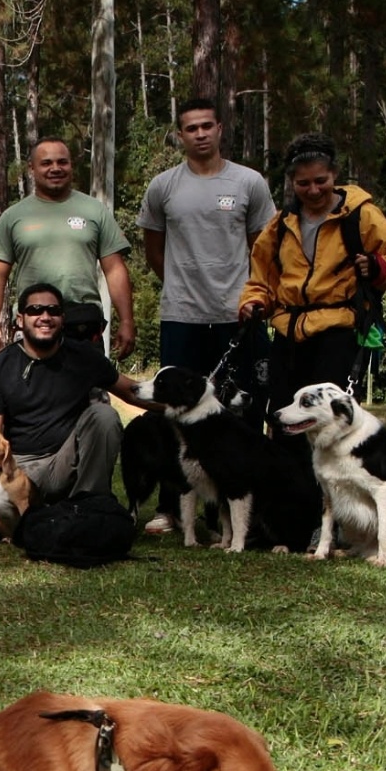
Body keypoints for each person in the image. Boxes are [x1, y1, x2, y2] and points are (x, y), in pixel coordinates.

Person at [135, 97, 278, 531]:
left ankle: (238, 512)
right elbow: (153, 246)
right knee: (172, 411)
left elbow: (263, 248)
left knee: (243, 411)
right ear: (180, 134)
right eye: (190, 128)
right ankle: (171, 508)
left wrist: (253, 297)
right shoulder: (164, 186)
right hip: (182, 315)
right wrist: (179, 284)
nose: (199, 134)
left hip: (239, 315)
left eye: (206, 126)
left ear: (220, 129)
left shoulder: (249, 182)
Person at [240, 133, 386, 430]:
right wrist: (253, 303)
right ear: (292, 182)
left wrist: (376, 266)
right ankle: (290, 476)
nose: (313, 190)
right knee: (284, 417)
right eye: (303, 183)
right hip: (288, 335)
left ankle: (336, 478)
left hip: (338, 332)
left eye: (321, 180)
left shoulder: (361, 215)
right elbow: (262, 277)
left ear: (334, 174)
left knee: (334, 423)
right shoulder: (280, 225)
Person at [0, 283, 148, 541]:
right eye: (35, 310)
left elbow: (130, 391)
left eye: (53, 310)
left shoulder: (83, 356)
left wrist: (181, 402)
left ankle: (89, 506)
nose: (45, 317)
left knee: (103, 416)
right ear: (20, 318)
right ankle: (52, 514)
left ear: (62, 317)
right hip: (20, 464)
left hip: (65, 460)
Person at [0, 138, 136, 359]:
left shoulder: (95, 211)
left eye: (62, 162)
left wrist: (127, 322)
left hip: (83, 324)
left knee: (89, 393)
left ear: (71, 165)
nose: (55, 168)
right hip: (33, 325)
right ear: (32, 168)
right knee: (33, 393)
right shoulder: (13, 217)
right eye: (46, 163)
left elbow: (115, 269)